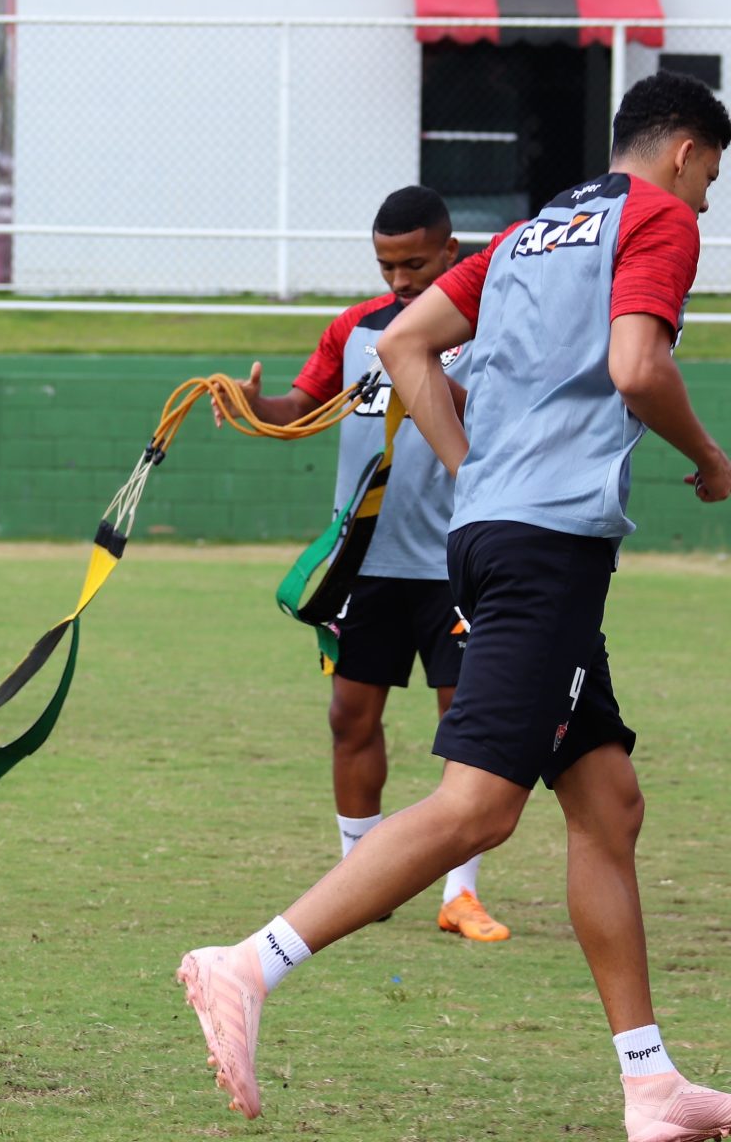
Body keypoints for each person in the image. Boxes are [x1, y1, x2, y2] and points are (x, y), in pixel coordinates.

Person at [178, 70, 731, 1140]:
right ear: (685, 152)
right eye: (713, 174)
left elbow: (403, 345)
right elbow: (636, 365)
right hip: (547, 548)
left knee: (607, 801)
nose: (708, 197)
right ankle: (247, 964)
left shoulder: (527, 236)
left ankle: (652, 1084)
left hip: (488, 537)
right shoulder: (659, 220)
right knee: (479, 806)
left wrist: (472, 469)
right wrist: (710, 457)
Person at [219, 185, 509, 944]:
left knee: (467, 729)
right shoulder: (355, 329)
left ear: (451, 252)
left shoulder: (492, 323)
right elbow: (300, 407)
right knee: (350, 717)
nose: (401, 281)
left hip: (459, 561)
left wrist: (420, 365)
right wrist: (254, 407)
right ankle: (361, 878)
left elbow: (505, 419)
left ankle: (460, 894)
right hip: (366, 565)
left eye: (416, 264)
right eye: (387, 266)